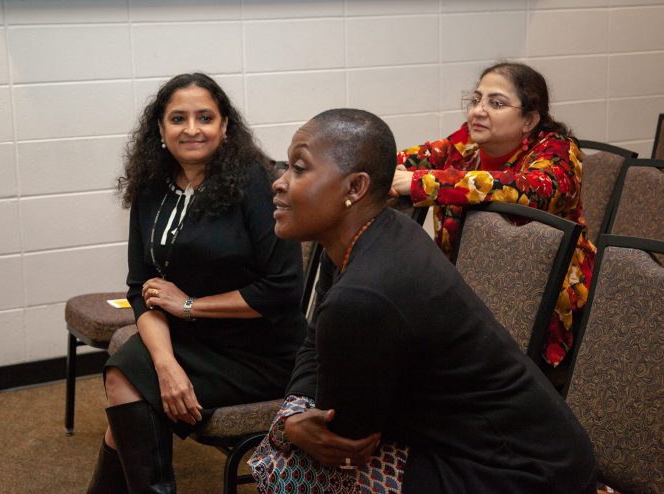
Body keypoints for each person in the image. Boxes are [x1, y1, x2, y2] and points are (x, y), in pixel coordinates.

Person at [249, 108, 597, 493]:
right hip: (510, 452)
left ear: (354, 188)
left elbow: (345, 437)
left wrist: (289, 426)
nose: (279, 183)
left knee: (296, 468)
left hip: (522, 475)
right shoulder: (370, 235)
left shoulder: (364, 294)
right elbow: (315, 342)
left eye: (299, 168)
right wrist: (296, 415)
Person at [86, 73, 307, 493]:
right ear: (160, 128)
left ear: (225, 126)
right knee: (126, 379)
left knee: (126, 399)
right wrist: (166, 366)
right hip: (189, 341)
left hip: (262, 350)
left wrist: (188, 306)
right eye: (178, 118)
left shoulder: (259, 184)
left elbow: (282, 289)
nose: (191, 129)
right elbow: (142, 288)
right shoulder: (151, 188)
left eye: (205, 117)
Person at [391, 62, 594, 369]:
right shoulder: (466, 144)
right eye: (475, 100)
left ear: (529, 119)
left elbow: (526, 189)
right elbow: (399, 161)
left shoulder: (558, 152)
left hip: (542, 306)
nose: (478, 111)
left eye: (495, 103)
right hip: (465, 296)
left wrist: (424, 181)